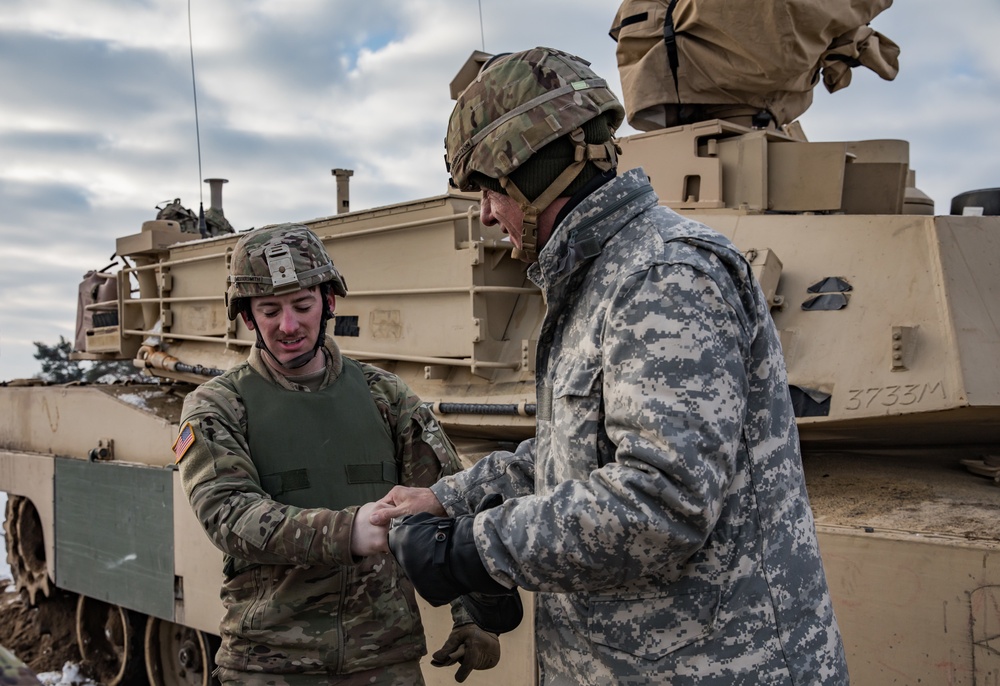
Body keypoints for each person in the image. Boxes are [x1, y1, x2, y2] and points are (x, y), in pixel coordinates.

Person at [365, 47, 849, 684]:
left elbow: (661, 501)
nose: (485, 213)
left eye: (488, 189)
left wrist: (473, 548)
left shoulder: (661, 275)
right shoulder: (600, 277)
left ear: (534, 172)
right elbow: (573, 452)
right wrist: (448, 498)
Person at [173, 223, 500, 685]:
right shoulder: (218, 406)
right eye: (270, 310)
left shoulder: (385, 396)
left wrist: (473, 614)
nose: (288, 326)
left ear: (328, 302)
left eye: (302, 306)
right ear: (248, 317)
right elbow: (228, 514)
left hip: (385, 659)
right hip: (270, 663)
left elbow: (448, 502)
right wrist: (349, 531)